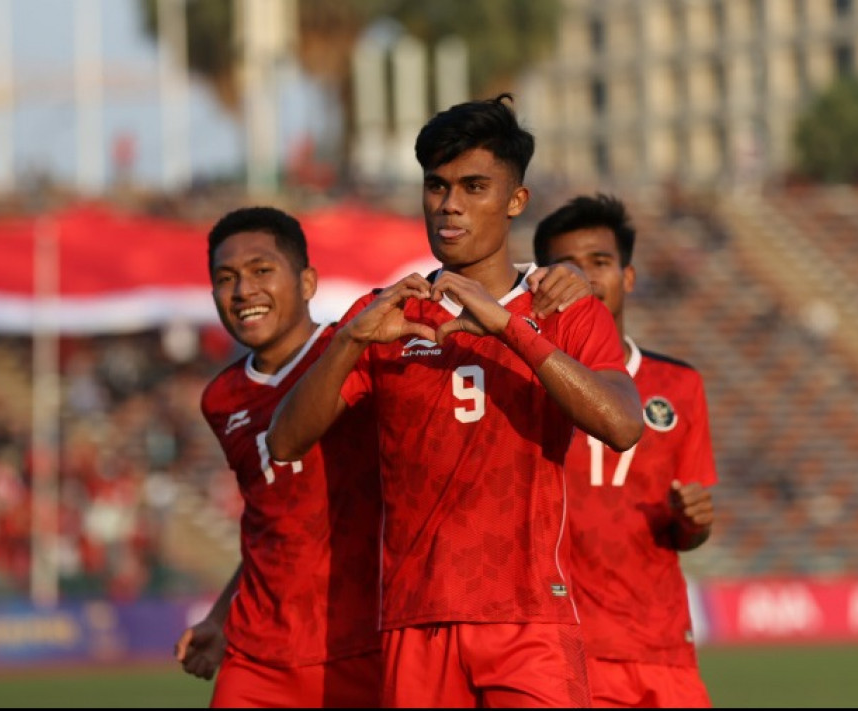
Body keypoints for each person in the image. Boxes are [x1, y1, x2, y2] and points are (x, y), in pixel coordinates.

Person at [267, 95, 644, 708]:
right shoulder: (386, 314)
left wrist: (507, 329)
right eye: (436, 186)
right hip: (415, 624)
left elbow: (624, 425)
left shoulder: (563, 307)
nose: (450, 205)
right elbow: (285, 443)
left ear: (515, 201)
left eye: (474, 187)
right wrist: (349, 339)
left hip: (530, 624)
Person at [174, 206, 383, 708]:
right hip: (257, 654)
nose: (244, 290)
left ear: (308, 281)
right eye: (227, 279)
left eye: (262, 270)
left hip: (363, 646)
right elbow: (271, 521)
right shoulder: (222, 398)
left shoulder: (363, 352)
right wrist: (221, 616)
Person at [533, 194, 718, 708]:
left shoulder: (679, 385)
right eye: (566, 267)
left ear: (628, 277)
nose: (586, 278)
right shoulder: (522, 381)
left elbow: (690, 530)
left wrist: (695, 521)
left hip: (660, 647)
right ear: (539, 281)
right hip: (563, 649)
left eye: (600, 262)